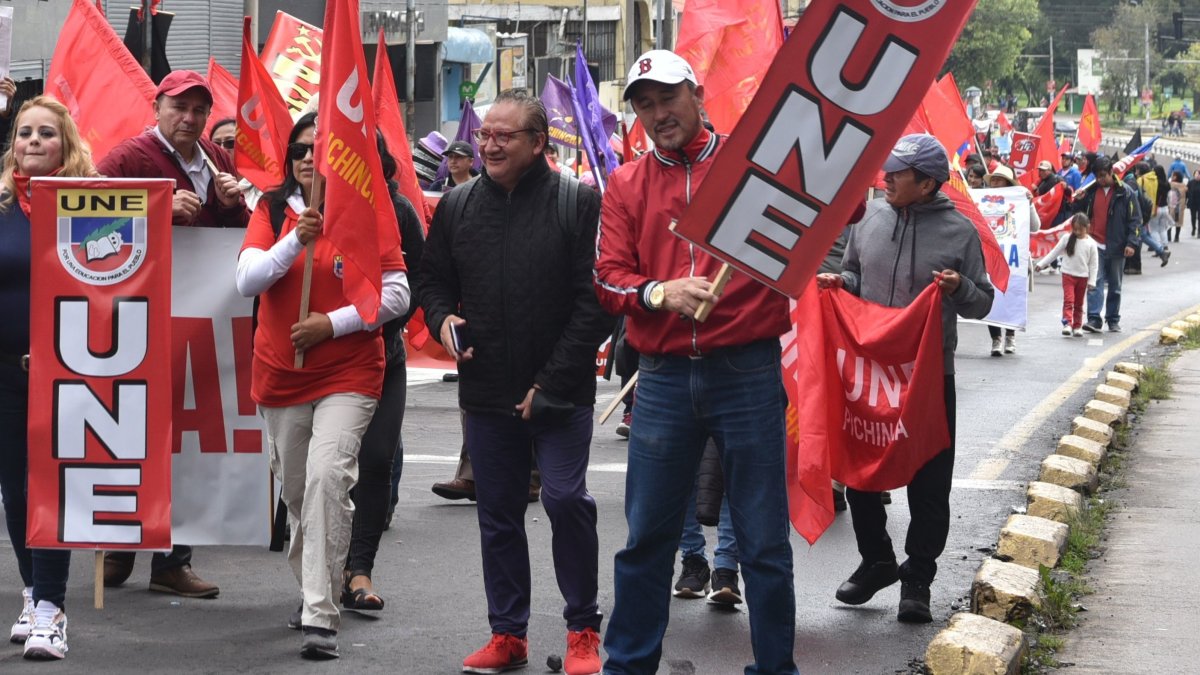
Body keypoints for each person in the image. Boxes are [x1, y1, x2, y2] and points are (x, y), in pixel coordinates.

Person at [595, 50, 798, 675]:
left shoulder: (753, 165)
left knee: (764, 542)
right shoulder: (626, 183)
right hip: (660, 379)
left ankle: (776, 669)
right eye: (644, 105)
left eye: (668, 98)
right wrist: (660, 292)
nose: (658, 113)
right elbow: (607, 279)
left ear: (698, 94)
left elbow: (826, 215)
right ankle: (627, 666)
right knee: (646, 540)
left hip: (748, 371)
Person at [419, 89, 611, 675]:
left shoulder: (577, 203)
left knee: (565, 499)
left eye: (505, 136)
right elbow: (431, 282)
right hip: (485, 389)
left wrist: (551, 382)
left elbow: (597, 303)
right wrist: (441, 320)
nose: (490, 145)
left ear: (537, 143)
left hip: (561, 392)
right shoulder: (457, 206)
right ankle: (508, 635)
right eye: (485, 135)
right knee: (497, 513)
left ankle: (583, 632)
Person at [236, 112, 410, 659]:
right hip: (280, 376)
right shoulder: (270, 209)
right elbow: (247, 280)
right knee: (298, 495)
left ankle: (319, 614)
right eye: (300, 149)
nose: (309, 157)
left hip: (349, 372)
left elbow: (397, 294)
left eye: (321, 148)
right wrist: (296, 240)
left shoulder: (370, 211)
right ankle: (319, 582)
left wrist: (331, 325)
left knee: (328, 479)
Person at [816, 133, 995, 624]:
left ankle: (918, 578)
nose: (887, 178)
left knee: (929, 482)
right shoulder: (869, 219)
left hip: (928, 378)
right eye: (888, 170)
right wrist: (840, 283)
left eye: (898, 173)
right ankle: (876, 560)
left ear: (927, 183)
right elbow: (855, 276)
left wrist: (959, 288)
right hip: (870, 371)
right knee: (861, 469)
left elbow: (984, 301)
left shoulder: (960, 233)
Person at [97, 69, 245, 599]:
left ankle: (173, 559)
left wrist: (233, 205)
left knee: (185, 439)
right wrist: (153, 206)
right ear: (157, 107)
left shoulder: (217, 159)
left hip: (198, 320)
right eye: (179, 107)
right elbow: (83, 223)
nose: (189, 118)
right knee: (129, 432)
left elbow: (241, 237)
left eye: (199, 110)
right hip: (136, 319)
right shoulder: (126, 158)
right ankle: (119, 546)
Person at [0, 95, 97, 661]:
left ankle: (51, 608)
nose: (33, 141)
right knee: (15, 491)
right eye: (24, 132)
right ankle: (34, 593)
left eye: (46, 133)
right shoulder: (0, 207)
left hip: (70, 375)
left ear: (67, 145)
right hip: (5, 374)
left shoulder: (96, 205)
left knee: (51, 489)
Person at [341, 132, 426, 614]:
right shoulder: (301, 207)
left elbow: (418, 279)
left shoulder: (398, 211)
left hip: (382, 356)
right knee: (324, 473)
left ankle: (359, 569)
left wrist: (384, 321)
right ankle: (322, 571)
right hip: (320, 364)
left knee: (375, 461)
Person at [1071, 155, 1140, 333]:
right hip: (1094, 245)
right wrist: (1079, 199)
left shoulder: (1125, 193)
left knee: (1115, 286)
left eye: (1103, 175)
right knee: (1095, 282)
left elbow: (1135, 220)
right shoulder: (1090, 192)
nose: (1101, 180)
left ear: (1111, 172)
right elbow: (1078, 215)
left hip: (1117, 246)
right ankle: (1094, 319)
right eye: (1097, 176)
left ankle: (1113, 318)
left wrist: (1132, 243)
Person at [983, 165, 1040, 356]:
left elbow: (1035, 226)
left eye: (999, 180)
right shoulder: (983, 201)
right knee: (991, 297)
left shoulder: (1020, 200)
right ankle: (995, 339)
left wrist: (1029, 204)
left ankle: (1010, 336)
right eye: (993, 180)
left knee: (1011, 295)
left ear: (1008, 183)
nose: (995, 183)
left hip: (1012, 259)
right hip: (991, 258)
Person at [1035, 213, 1099, 337]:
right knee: (1069, 300)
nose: (1077, 232)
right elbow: (1054, 252)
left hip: (1083, 277)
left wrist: (1092, 281)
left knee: (1079, 303)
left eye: (1080, 229)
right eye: (1075, 229)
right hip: (1068, 275)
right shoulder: (1066, 238)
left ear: (1087, 227)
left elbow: (1093, 264)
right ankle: (1067, 324)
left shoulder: (1091, 244)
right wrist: (1042, 264)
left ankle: (1077, 326)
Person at [1169, 170, 1186, 243]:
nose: (1171, 176)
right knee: (1179, 222)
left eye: (1173, 175)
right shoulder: (1183, 186)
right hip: (1180, 206)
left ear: (1175, 177)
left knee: (1169, 221)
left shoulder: (1171, 184)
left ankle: (1168, 236)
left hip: (1171, 205)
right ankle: (1176, 237)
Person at [1187, 169, 1200, 238]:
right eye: (1196, 174)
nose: (1197, 175)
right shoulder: (1190, 182)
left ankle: (1199, 232)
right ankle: (1194, 228)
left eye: (1199, 174)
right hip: (1192, 202)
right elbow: (1186, 192)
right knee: (1193, 217)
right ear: (1194, 175)